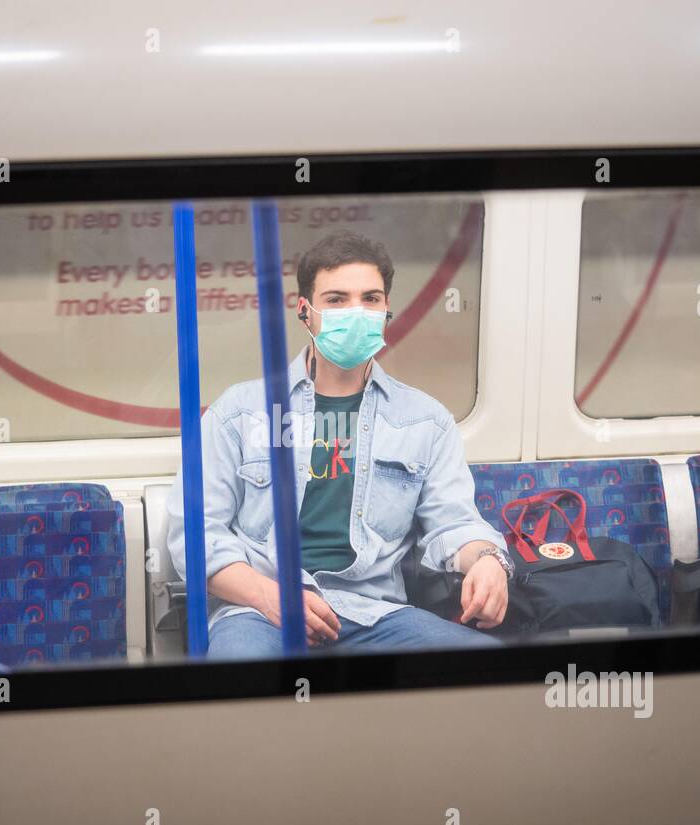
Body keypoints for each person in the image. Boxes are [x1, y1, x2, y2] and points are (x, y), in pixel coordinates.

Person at [166, 230, 513, 659]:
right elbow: (197, 534)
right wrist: (268, 596)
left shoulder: (426, 422)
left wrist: (488, 560)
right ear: (305, 312)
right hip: (261, 610)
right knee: (245, 696)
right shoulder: (240, 412)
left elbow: (453, 525)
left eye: (370, 299)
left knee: (489, 673)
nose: (356, 311)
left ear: (387, 309)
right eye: (336, 299)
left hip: (377, 614)